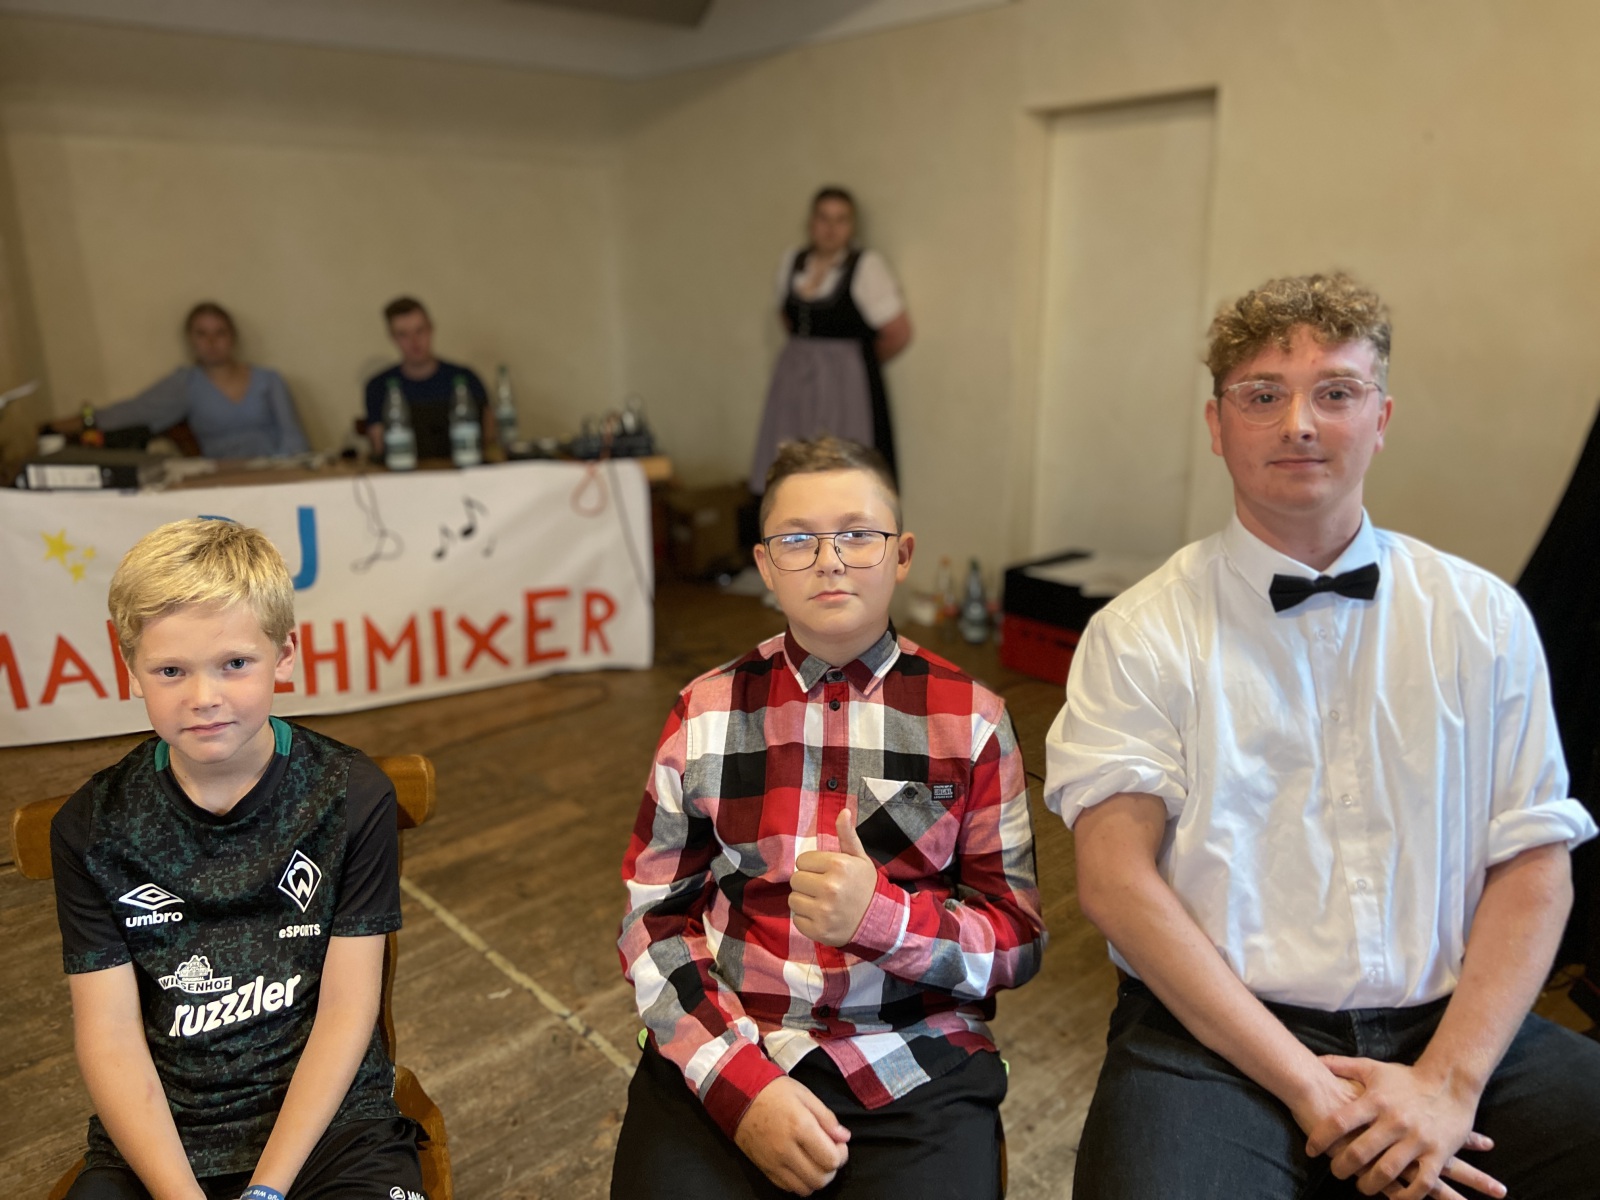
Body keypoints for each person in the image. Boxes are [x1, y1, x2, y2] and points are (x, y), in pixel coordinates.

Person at [1044, 272, 1600, 1200]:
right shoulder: (1138, 631)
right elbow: (1113, 880)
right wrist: (1313, 1090)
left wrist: (1449, 1083)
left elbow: (1535, 860)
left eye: (1335, 393)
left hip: (1447, 1023)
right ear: (1217, 425)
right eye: (1263, 396)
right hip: (1211, 1035)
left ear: (1381, 418)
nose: (1299, 424)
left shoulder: (1485, 618)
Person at [615, 436, 1044, 1199]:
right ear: (763, 564)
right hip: (731, 1039)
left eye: (857, 534)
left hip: (914, 1059)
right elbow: (653, 920)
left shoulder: (972, 721)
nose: (830, 560)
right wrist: (742, 1087)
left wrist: (883, 920)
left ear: (901, 554)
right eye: (797, 540)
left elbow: (1016, 940)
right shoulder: (705, 713)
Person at [50, 518, 425, 1200]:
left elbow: (348, 1010)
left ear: (284, 656)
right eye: (171, 670)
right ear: (130, 668)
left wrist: (267, 1190)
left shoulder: (351, 794)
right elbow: (109, 1035)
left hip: (333, 1128)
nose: (204, 698)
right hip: (162, 1138)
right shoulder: (91, 827)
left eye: (235, 664)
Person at [749, 189, 912, 495]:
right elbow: (786, 317)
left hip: (845, 384)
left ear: (852, 226)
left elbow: (898, 332)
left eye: (841, 219)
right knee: (791, 463)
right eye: (824, 218)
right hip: (794, 380)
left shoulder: (866, 266)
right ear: (811, 223)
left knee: (843, 470)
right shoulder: (793, 262)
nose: (831, 228)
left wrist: (853, 364)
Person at [48, 303, 309, 458]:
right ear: (190, 340)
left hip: (276, 474)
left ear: (233, 337)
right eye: (201, 334)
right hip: (223, 482)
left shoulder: (269, 380)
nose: (211, 342)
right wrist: (70, 424)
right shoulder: (186, 384)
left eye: (220, 333)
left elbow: (294, 439)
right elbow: (135, 411)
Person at [363, 297, 493, 462]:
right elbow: (379, 448)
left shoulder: (465, 380)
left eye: (420, 331)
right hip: (403, 474)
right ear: (393, 338)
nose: (414, 342)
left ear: (431, 329)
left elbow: (490, 440)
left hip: (464, 471)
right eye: (403, 335)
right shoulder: (379, 387)